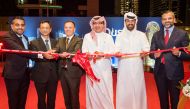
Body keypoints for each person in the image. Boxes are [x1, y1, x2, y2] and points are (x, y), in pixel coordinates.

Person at [149, 10, 189, 109]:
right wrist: (155, 55)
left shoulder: (182, 34)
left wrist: (179, 53)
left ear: (174, 20)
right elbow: (151, 53)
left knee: (175, 100)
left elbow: (188, 54)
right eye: (164, 19)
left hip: (175, 73)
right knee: (163, 100)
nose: (167, 21)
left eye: (169, 18)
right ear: (161, 21)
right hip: (159, 72)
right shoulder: (156, 35)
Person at [115, 12, 149, 109]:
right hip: (123, 68)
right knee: (124, 90)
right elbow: (116, 49)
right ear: (125, 22)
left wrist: (145, 52)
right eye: (128, 21)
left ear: (135, 21)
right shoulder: (120, 35)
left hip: (137, 67)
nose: (130, 23)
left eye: (132, 21)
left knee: (138, 89)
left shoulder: (141, 35)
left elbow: (147, 48)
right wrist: (117, 53)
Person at [47, 20, 83, 109]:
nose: (68, 29)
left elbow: (76, 52)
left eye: (70, 27)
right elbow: (57, 48)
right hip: (62, 72)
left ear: (74, 29)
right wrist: (53, 51)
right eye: (66, 27)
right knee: (66, 95)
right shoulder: (61, 39)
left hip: (73, 72)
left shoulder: (79, 40)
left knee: (74, 95)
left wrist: (67, 54)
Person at [82, 16, 115, 109]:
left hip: (105, 69)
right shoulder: (87, 36)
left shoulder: (108, 37)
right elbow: (84, 51)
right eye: (95, 23)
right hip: (91, 68)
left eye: (100, 23)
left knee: (106, 91)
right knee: (93, 92)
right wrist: (89, 55)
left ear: (103, 24)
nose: (97, 25)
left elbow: (113, 51)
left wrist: (103, 54)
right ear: (92, 25)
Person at [0, 16, 31, 109]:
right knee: (14, 100)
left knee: (23, 99)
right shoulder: (7, 36)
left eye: (22, 25)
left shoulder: (25, 37)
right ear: (12, 26)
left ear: (25, 26)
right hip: (13, 74)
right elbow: (20, 50)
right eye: (17, 25)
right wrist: (41, 54)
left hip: (25, 73)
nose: (20, 27)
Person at [29, 20, 58, 109]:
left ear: (50, 29)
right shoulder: (34, 42)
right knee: (41, 100)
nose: (45, 30)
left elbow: (59, 56)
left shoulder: (56, 42)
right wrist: (43, 55)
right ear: (40, 29)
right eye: (42, 28)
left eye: (47, 28)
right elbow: (32, 56)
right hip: (40, 75)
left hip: (53, 76)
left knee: (52, 99)